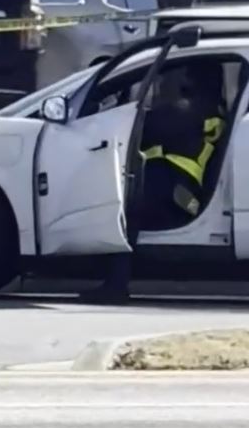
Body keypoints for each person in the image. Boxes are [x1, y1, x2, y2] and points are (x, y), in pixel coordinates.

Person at [78, 63, 226, 304]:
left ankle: (115, 285)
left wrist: (119, 102)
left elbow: (135, 128)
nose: (163, 83)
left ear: (187, 80)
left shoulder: (183, 111)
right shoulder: (210, 110)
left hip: (172, 190)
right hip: (182, 189)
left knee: (117, 209)